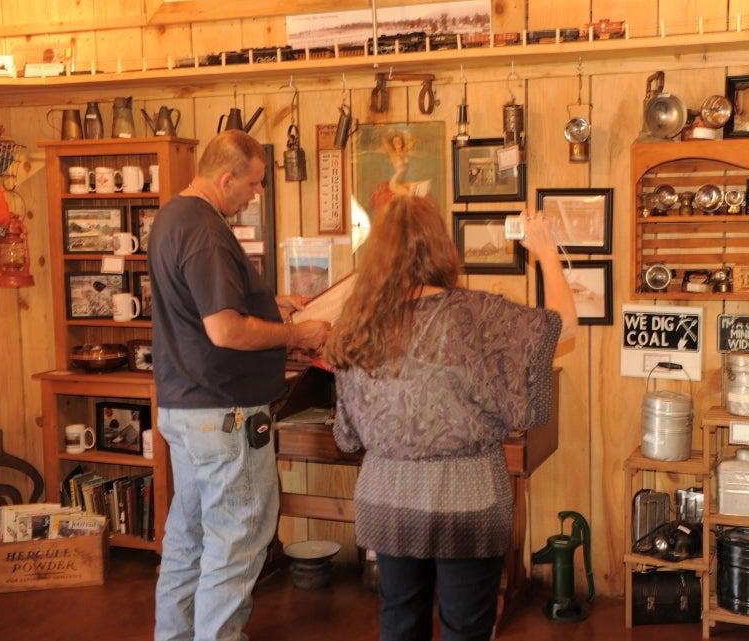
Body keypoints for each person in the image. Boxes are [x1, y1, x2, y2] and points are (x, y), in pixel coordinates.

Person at [324, 196, 578, 641]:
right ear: (441, 248)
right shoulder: (478, 315)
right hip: (468, 498)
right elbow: (563, 329)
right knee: (466, 628)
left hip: (388, 497)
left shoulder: (358, 322)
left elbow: (347, 434)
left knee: (400, 621)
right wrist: (546, 254)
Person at [149, 130, 330, 641]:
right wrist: (297, 333)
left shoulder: (172, 217)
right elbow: (224, 329)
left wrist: (272, 305)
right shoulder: (206, 230)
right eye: (252, 185)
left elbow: (202, 307)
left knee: (188, 540)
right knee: (236, 542)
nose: (255, 195)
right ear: (226, 177)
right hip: (224, 415)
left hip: (186, 410)